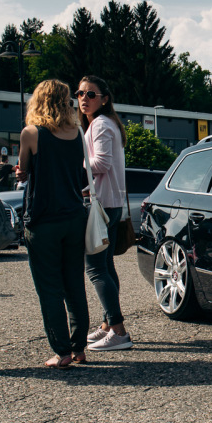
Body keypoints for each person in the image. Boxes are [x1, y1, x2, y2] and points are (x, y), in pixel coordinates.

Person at [17, 79, 90, 369]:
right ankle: (79, 348)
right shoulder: (78, 133)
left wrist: (23, 173)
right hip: (74, 216)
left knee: (49, 288)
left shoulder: (31, 133)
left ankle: (62, 352)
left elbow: (23, 172)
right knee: (75, 284)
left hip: (43, 218)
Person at [77, 76, 133, 352]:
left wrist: (74, 165)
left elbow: (101, 162)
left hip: (101, 206)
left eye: (91, 94)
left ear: (104, 99)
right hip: (109, 204)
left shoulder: (99, 124)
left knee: (96, 269)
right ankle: (108, 325)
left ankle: (119, 331)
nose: (84, 99)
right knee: (106, 267)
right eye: (80, 93)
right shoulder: (105, 124)